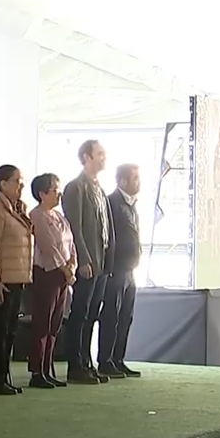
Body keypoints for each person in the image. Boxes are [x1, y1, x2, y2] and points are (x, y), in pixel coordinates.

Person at [60, 139, 112, 385]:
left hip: (101, 263)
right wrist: (83, 258)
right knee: (80, 314)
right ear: (86, 158)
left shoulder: (99, 188)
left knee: (92, 314)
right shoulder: (75, 187)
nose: (104, 157)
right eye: (99, 154)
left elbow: (105, 227)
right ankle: (75, 364)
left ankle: (87, 362)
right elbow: (74, 228)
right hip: (87, 262)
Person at [0, 165, 33, 396]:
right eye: (16, 181)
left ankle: (3, 377)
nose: (21, 185)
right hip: (1, 281)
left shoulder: (17, 208)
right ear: (2, 183)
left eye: (21, 181)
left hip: (16, 277)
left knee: (10, 331)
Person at [28, 173, 75, 388]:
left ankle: (48, 368)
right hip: (47, 273)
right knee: (42, 323)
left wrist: (72, 264)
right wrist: (65, 270)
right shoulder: (36, 215)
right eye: (55, 190)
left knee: (55, 323)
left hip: (63, 275)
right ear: (42, 194)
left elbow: (70, 244)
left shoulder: (59, 216)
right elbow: (48, 246)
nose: (59, 193)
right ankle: (37, 371)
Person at [98, 164, 143, 378]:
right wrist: (110, 266)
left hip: (130, 269)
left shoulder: (132, 204)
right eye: (135, 177)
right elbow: (107, 236)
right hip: (116, 269)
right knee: (111, 315)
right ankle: (105, 360)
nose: (138, 181)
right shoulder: (112, 202)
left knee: (126, 316)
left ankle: (118, 359)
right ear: (123, 181)